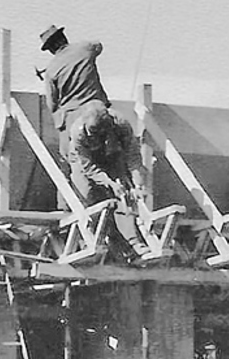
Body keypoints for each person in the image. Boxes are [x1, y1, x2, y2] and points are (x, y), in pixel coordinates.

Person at [40, 24, 150, 226]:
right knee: (114, 164)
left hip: (73, 117)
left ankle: (69, 212)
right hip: (100, 113)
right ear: (64, 37)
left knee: (71, 167)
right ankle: (122, 212)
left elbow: (52, 104)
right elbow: (98, 46)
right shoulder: (85, 48)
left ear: (50, 49)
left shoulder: (51, 71)